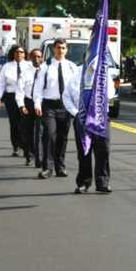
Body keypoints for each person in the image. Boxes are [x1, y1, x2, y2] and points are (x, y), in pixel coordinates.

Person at [63, 57, 115, 193]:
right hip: (81, 118)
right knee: (84, 151)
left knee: (103, 150)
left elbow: (110, 93)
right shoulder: (77, 73)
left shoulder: (104, 73)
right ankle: (84, 182)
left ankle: (102, 182)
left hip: (100, 118)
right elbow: (66, 96)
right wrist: (76, 113)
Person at [33, 38, 78, 179]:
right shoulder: (45, 66)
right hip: (49, 106)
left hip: (66, 106)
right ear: (54, 49)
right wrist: (37, 104)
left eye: (63, 48)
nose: (61, 50)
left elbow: (76, 89)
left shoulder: (72, 67)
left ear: (67, 50)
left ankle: (60, 167)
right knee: (50, 135)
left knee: (62, 138)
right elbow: (38, 88)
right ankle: (47, 168)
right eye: (58, 47)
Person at [0, 45, 30, 157]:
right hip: (11, 97)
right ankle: (16, 146)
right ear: (13, 54)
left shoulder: (29, 66)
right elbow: (0, 84)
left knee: (25, 123)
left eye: (21, 52)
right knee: (14, 123)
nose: (19, 54)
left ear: (25, 54)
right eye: (16, 52)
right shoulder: (7, 67)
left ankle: (26, 146)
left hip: (25, 97)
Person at [16, 49, 44, 167]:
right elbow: (19, 91)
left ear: (42, 58)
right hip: (28, 103)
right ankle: (29, 155)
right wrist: (22, 106)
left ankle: (39, 157)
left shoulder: (46, 72)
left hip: (42, 104)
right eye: (34, 57)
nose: (37, 59)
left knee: (40, 132)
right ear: (30, 58)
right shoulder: (25, 73)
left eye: (39, 56)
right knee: (27, 132)